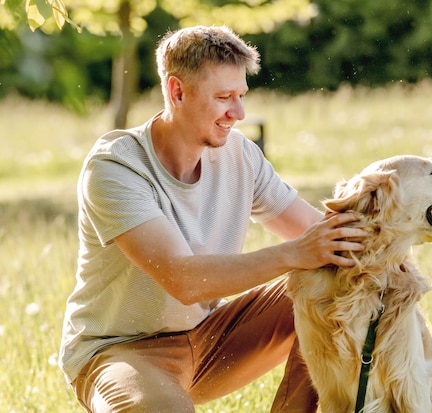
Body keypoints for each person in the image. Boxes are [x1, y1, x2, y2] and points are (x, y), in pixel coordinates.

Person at [59, 25, 366, 413]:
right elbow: (183, 280)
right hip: (118, 352)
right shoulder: (116, 167)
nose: (238, 113)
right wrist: (296, 253)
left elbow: (317, 232)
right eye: (223, 98)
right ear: (177, 91)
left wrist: (383, 241)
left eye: (241, 96)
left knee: (334, 282)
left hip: (210, 340)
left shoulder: (240, 154)